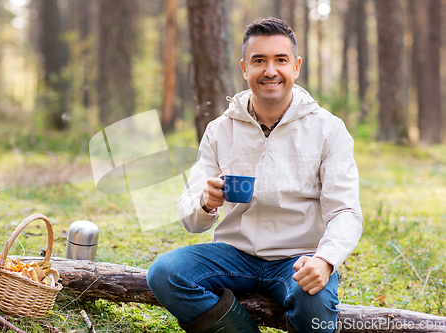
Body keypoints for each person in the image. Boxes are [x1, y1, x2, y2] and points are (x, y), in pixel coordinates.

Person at [147, 17, 363, 333]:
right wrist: (206, 203)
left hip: (297, 259)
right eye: (259, 61)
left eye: (281, 60)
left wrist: (325, 260)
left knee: (314, 301)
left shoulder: (328, 130)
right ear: (244, 68)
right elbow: (190, 219)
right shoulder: (220, 131)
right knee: (165, 273)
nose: (270, 71)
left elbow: (345, 212)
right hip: (234, 255)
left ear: (297, 66)